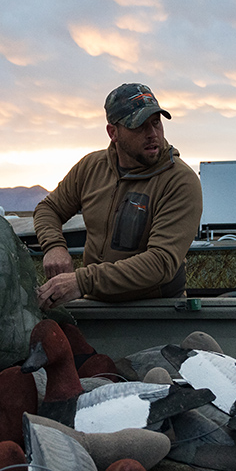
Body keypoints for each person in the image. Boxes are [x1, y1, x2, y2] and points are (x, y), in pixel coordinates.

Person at [33, 83, 203, 311]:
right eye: (139, 126)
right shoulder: (91, 167)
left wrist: (82, 281)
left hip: (158, 311)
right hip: (96, 306)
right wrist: (54, 246)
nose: (153, 134)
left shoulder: (180, 181)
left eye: (156, 122)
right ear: (113, 133)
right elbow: (48, 209)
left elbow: (161, 263)